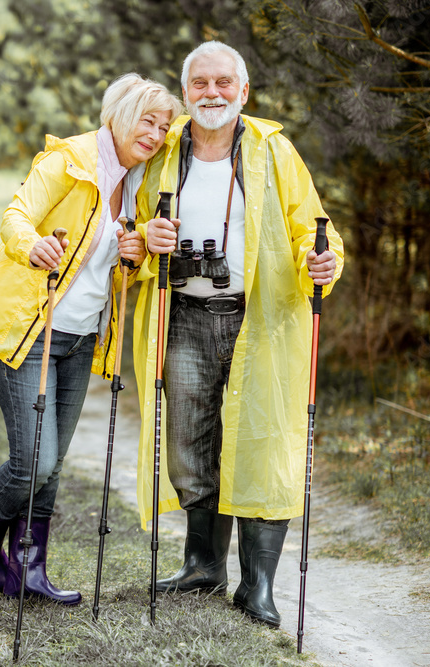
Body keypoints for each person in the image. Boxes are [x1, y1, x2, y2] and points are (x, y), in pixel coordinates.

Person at [0, 73, 183, 605]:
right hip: (29, 330)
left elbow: (128, 265)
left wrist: (138, 253)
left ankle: (31, 568)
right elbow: (16, 217)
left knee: (51, 466)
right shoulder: (69, 161)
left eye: (164, 126)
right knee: (36, 461)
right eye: (147, 120)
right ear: (118, 114)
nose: (157, 133)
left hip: (80, 339)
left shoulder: (140, 181)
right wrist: (32, 247)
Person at [130, 41, 345, 627]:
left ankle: (259, 587)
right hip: (184, 317)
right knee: (189, 442)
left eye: (224, 83)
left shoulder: (274, 151)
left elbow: (312, 232)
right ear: (185, 94)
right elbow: (135, 230)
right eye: (200, 84)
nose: (212, 94)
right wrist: (147, 240)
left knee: (263, 444)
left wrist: (320, 263)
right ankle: (203, 566)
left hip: (260, 320)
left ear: (244, 92)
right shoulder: (162, 154)